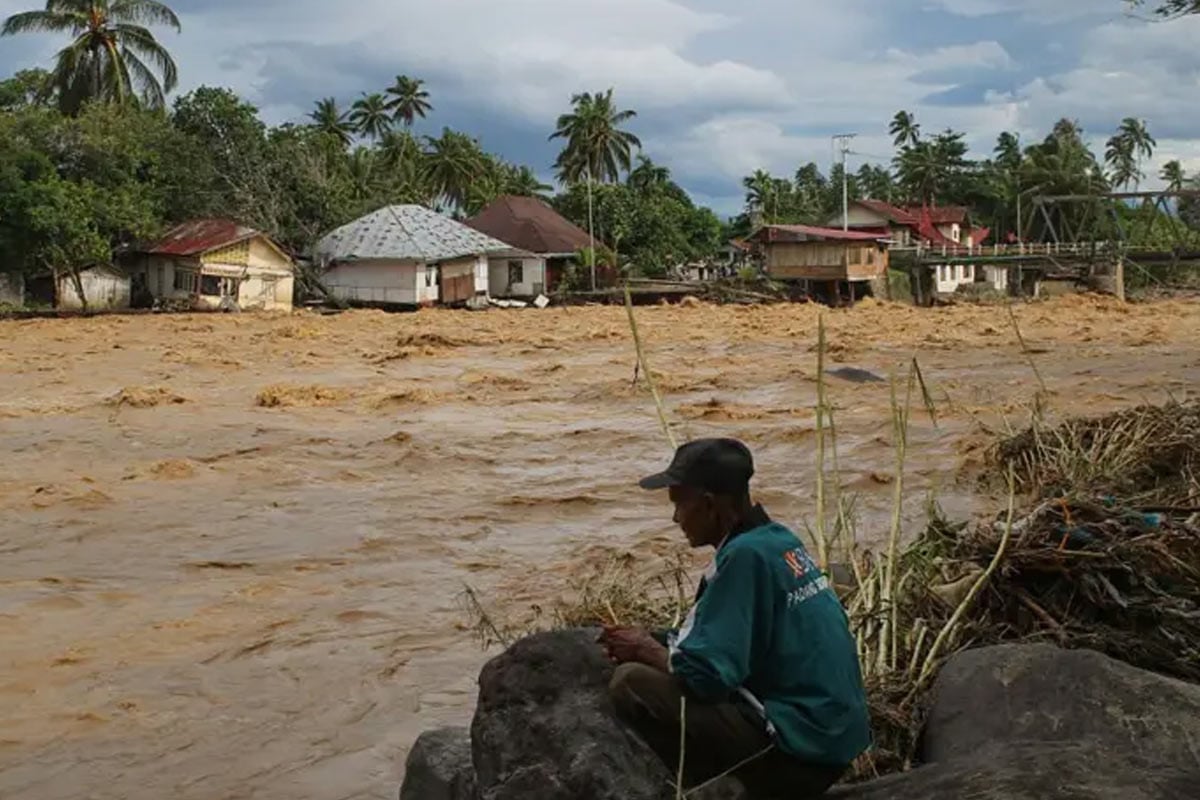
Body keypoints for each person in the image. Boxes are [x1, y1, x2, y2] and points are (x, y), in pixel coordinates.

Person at [600, 438, 870, 798]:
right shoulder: (776, 541)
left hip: (802, 752)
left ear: (710, 505)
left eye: (680, 503)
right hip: (832, 740)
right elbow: (727, 636)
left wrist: (646, 650)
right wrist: (656, 638)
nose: (676, 518)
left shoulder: (743, 558)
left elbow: (707, 677)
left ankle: (723, 790)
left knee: (631, 683)